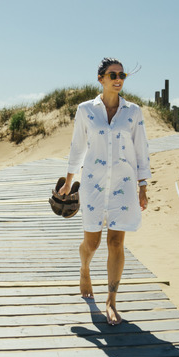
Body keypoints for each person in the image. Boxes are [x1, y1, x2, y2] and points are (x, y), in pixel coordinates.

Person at [58, 57, 151, 325]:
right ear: (101, 79)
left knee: (116, 242)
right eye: (113, 75)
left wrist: (143, 187)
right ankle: (84, 269)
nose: (118, 79)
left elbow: (141, 149)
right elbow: (78, 147)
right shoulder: (86, 110)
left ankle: (111, 301)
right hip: (93, 184)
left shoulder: (133, 112)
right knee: (93, 242)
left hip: (123, 185)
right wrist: (68, 180)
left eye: (122, 75)